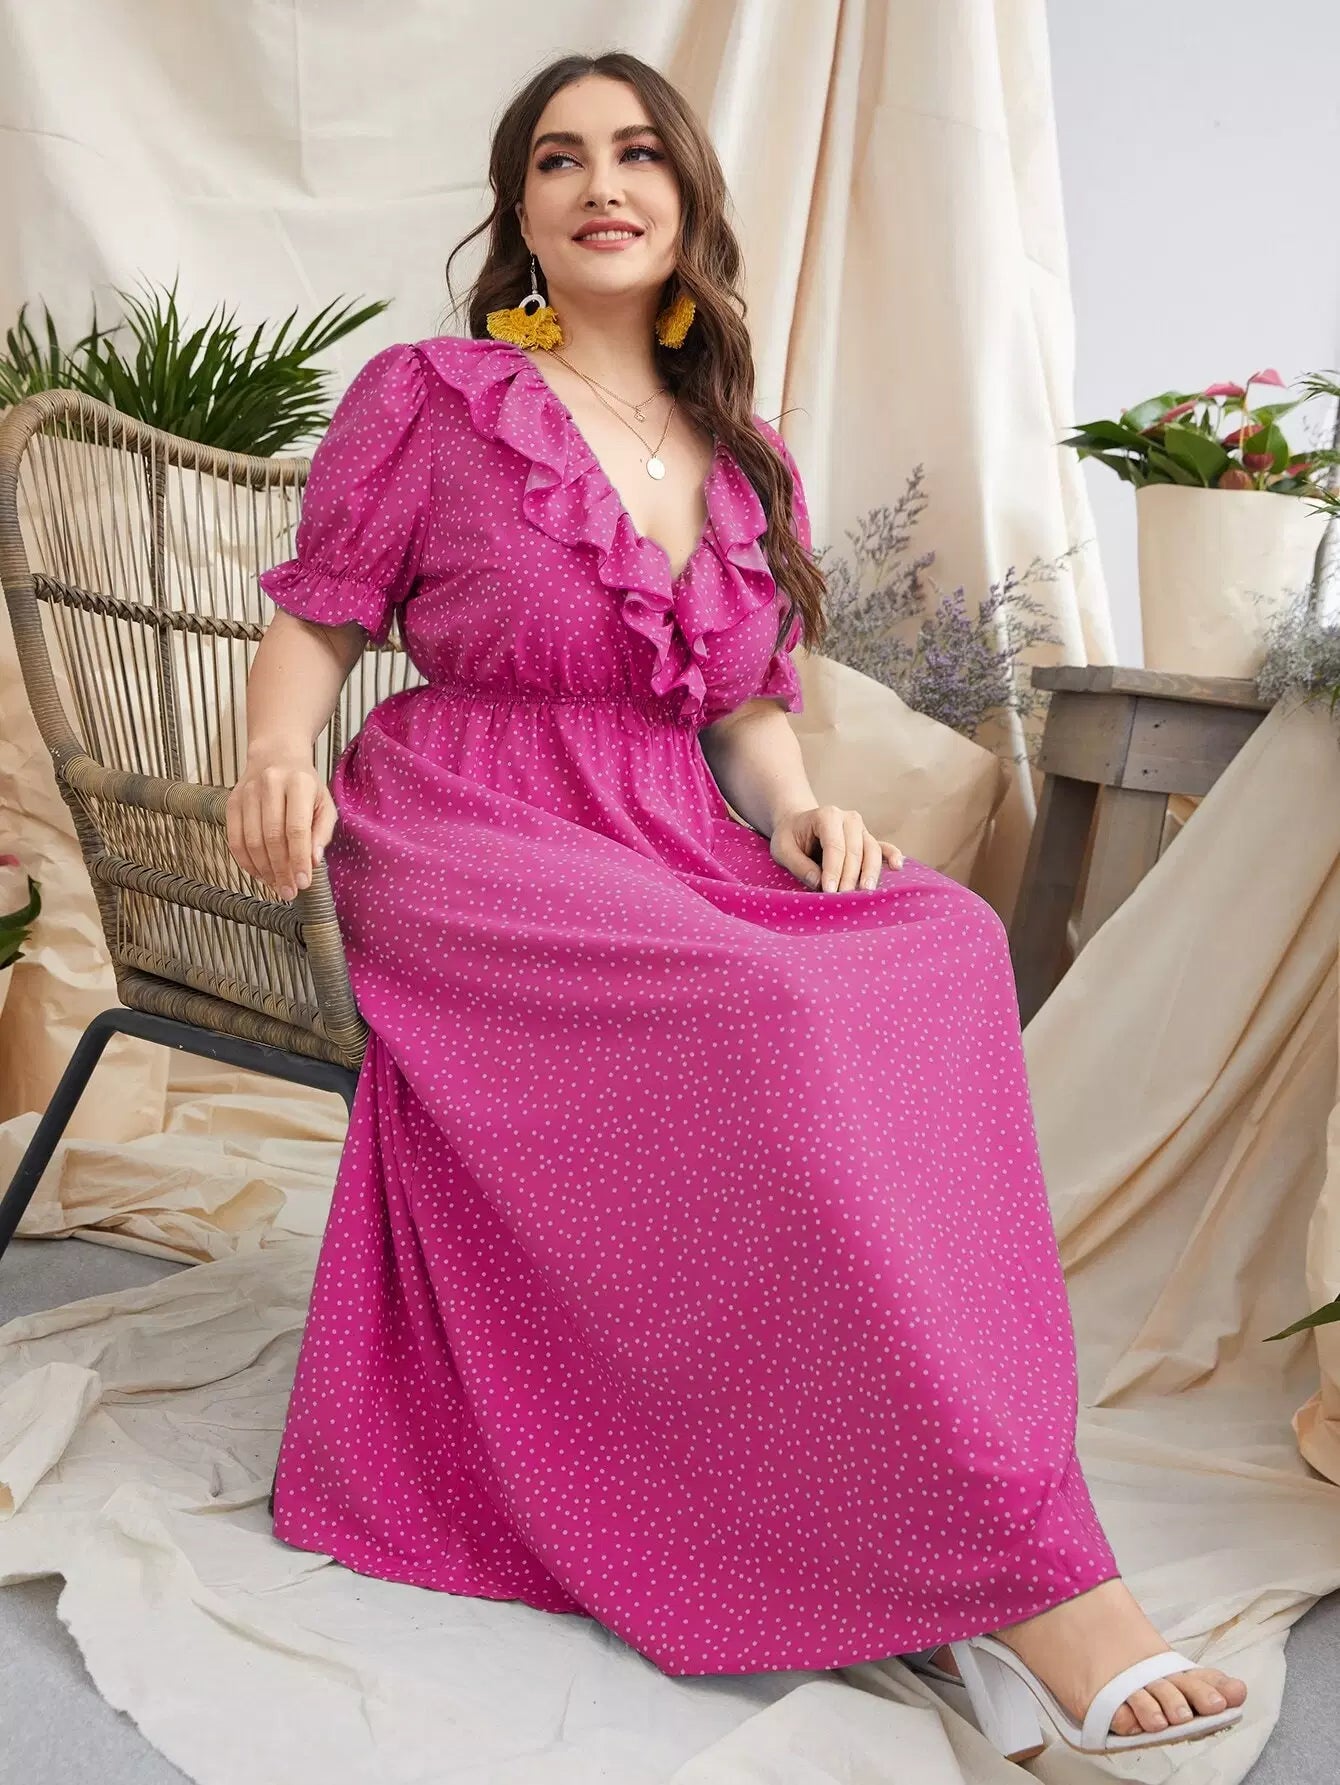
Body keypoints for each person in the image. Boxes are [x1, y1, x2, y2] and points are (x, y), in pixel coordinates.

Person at [226, 48, 1246, 1762]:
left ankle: (951, 1479)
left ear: (689, 198)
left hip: (665, 826)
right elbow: (323, 617)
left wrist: (802, 809)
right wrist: (272, 756)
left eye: (637, 153)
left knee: (943, 946)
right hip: (470, 817)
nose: (600, 184)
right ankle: (1039, 1587)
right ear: (520, 211)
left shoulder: (742, 450)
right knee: (766, 1007)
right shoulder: (431, 397)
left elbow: (744, 707)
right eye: (560, 159)